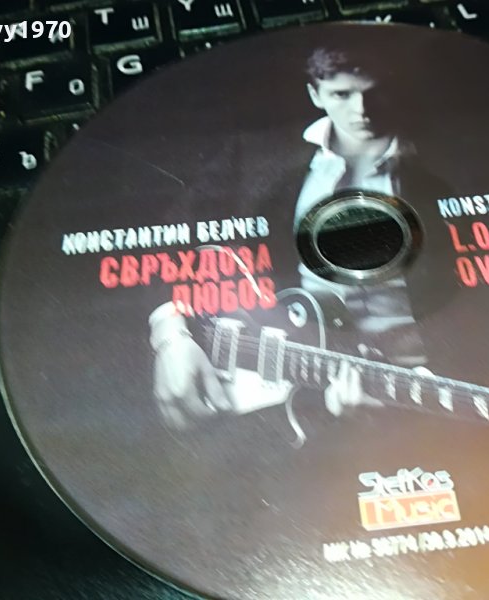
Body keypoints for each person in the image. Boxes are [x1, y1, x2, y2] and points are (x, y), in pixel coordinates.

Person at [151, 45, 451, 430]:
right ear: (315, 94)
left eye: (374, 93)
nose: (361, 110)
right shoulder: (254, 155)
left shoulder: (451, 158)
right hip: (283, 387)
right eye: (341, 94)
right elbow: (168, 242)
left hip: (425, 385)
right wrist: (171, 335)